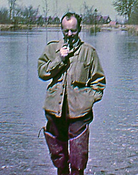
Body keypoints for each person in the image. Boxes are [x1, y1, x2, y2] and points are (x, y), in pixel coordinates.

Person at [38, 12, 106, 175]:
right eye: (66, 30)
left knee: (78, 160)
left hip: (79, 114)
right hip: (54, 111)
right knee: (59, 159)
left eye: (73, 31)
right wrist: (59, 59)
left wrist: (87, 100)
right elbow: (42, 73)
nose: (69, 34)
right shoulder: (51, 48)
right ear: (61, 29)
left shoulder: (89, 52)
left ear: (79, 29)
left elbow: (99, 82)